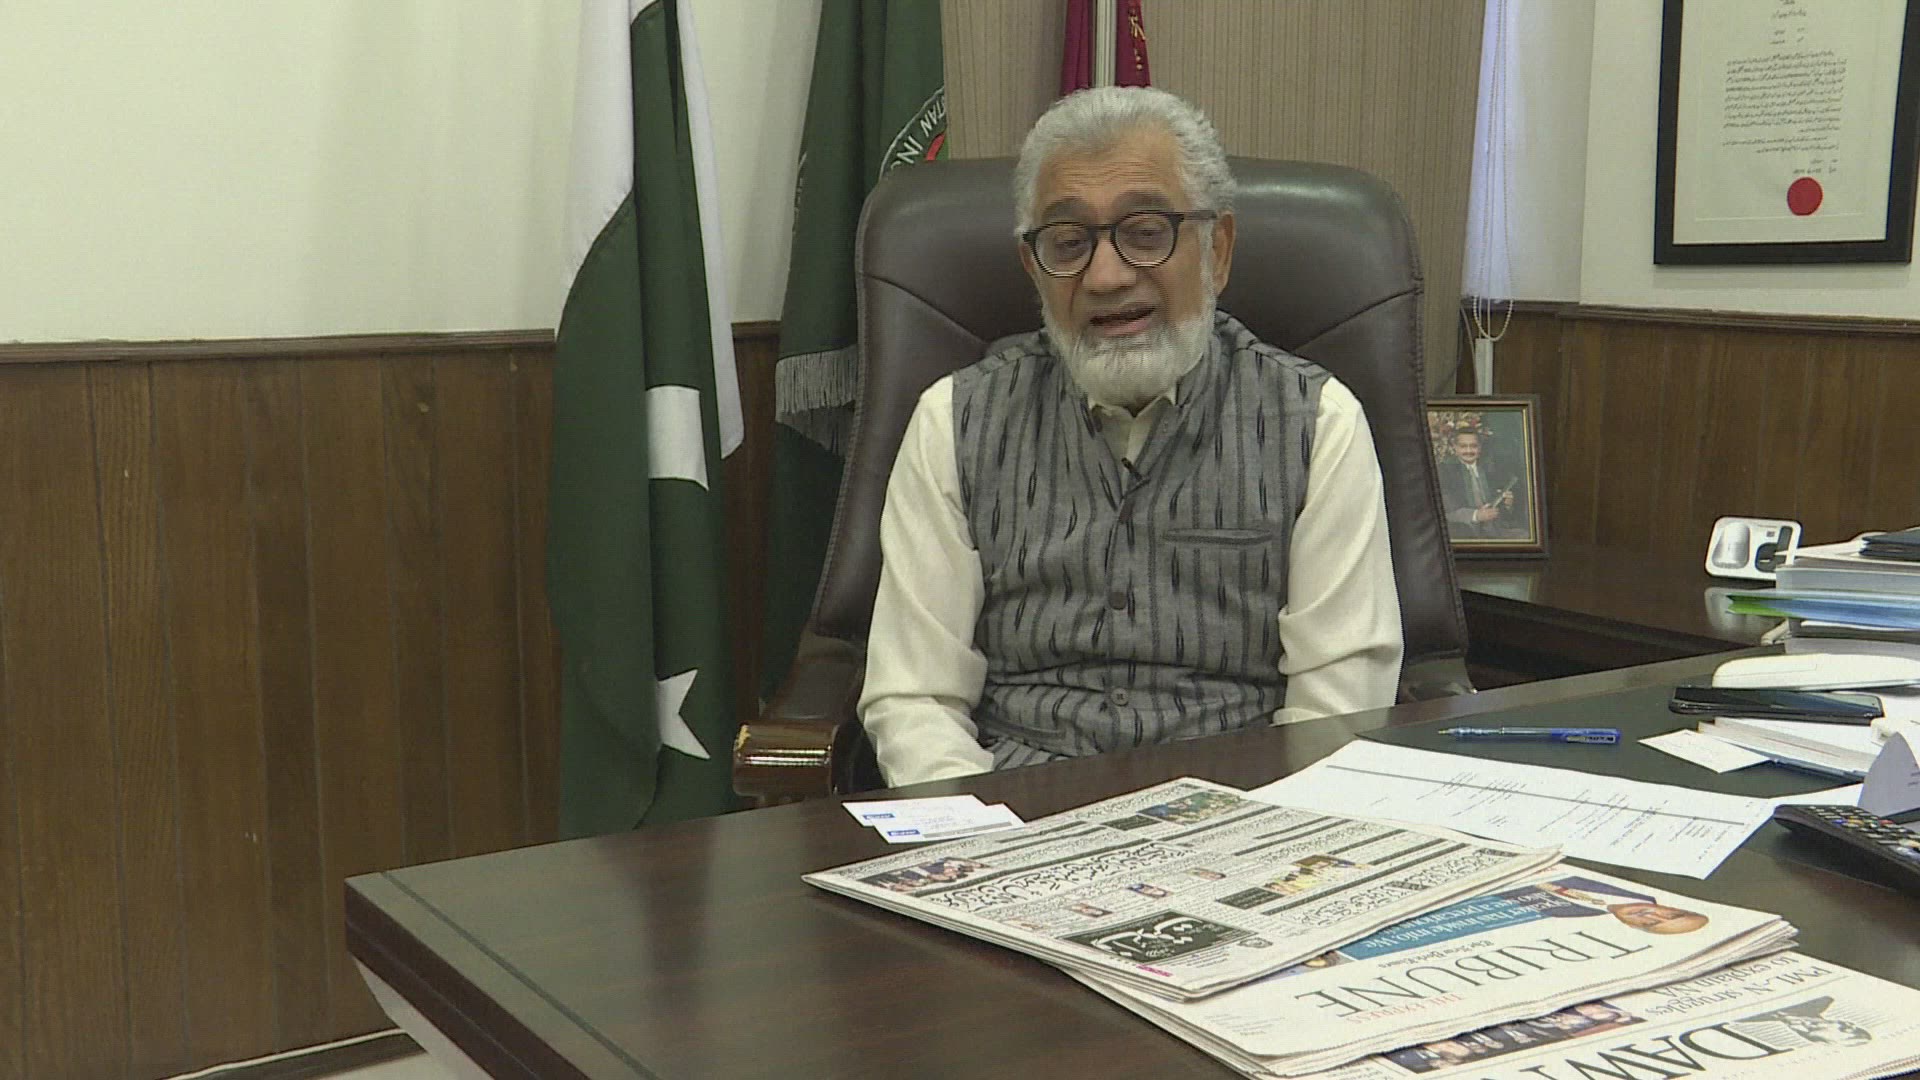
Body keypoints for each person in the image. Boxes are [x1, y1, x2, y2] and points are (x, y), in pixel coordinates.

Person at [858, 86, 1403, 786]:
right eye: (1068, 242)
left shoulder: (1320, 424)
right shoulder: (951, 421)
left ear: (1217, 250)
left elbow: (1335, 716)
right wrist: (986, 834)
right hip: (1013, 812)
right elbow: (916, 699)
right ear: (1033, 268)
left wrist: (1254, 837)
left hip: (1241, 813)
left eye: (1146, 232)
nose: (1107, 276)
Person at [1437, 429, 1520, 539]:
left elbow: (1504, 512)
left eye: (1473, 446)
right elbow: (1446, 509)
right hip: (1463, 532)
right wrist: (1476, 515)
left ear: (1479, 448)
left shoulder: (1491, 469)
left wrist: (1508, 505)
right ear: (1455, 448)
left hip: (1496, 529)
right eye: (1463, 446)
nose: (1469, 451)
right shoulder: (1444, 471)